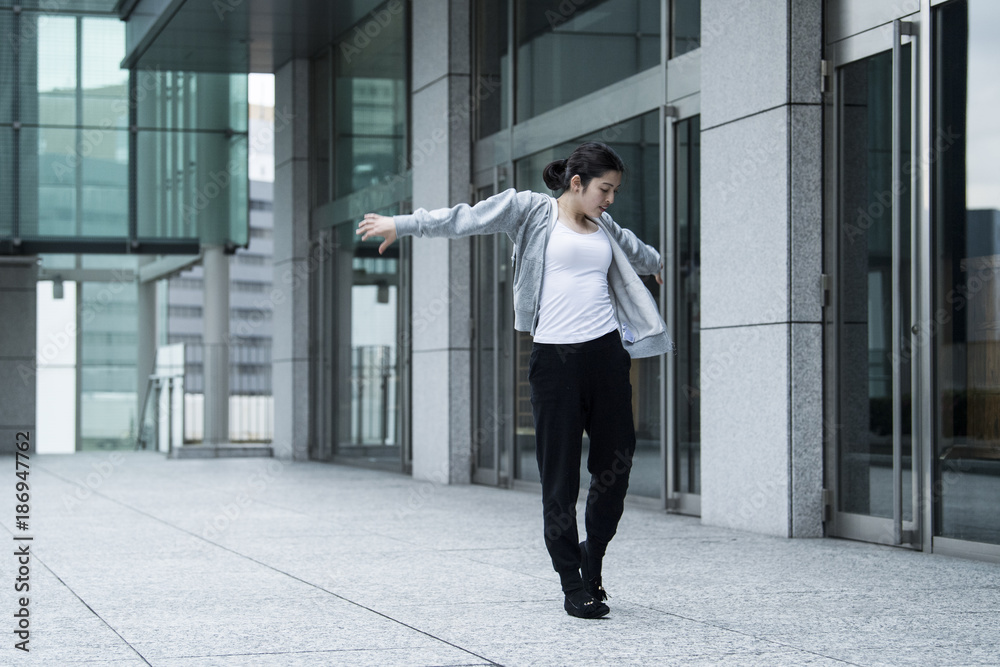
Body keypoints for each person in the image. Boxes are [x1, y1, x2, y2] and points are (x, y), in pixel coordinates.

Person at [357, 142, 673, 619]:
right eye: (604, 190)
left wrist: (656, 264)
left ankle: (594, 557)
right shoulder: (528, 210)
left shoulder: (604, 225)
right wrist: (402, 224)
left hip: (607, 357)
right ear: (576, 183)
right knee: (559, 477)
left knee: (617, 464)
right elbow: (465, 218)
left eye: (614, 191)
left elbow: (636, 249)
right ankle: (572, 583)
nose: (610, 200)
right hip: (555, 363)